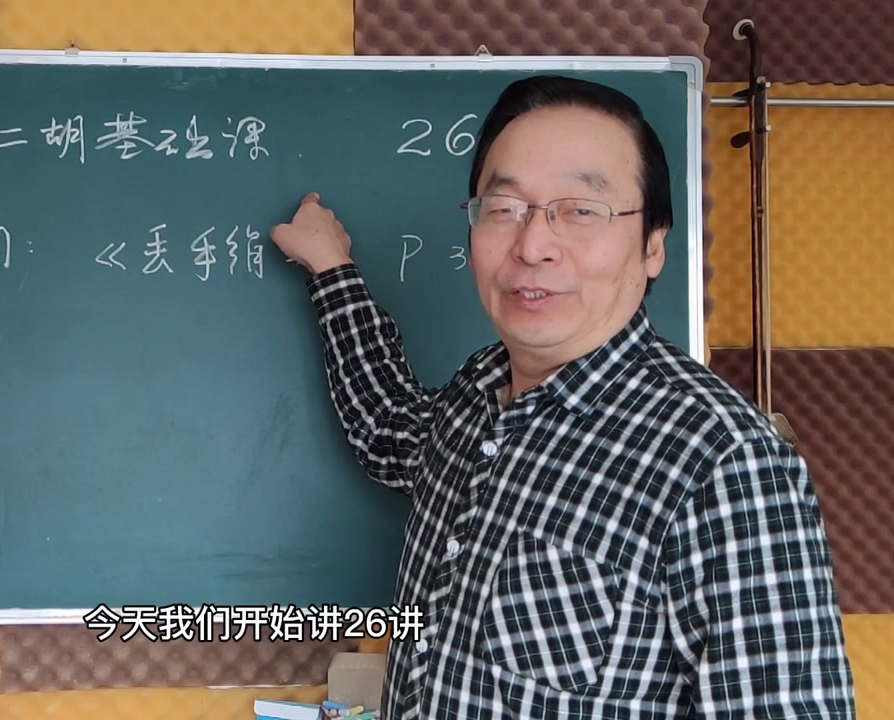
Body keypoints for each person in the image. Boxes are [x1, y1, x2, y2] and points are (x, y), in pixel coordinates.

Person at [269, 75, 855, 719]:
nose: (533, 246)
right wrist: (332, 271)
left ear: (653, 244)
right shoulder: (476, 395)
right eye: (505, 207)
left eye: (581, 210)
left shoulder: (724, 464)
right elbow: (388, 428)